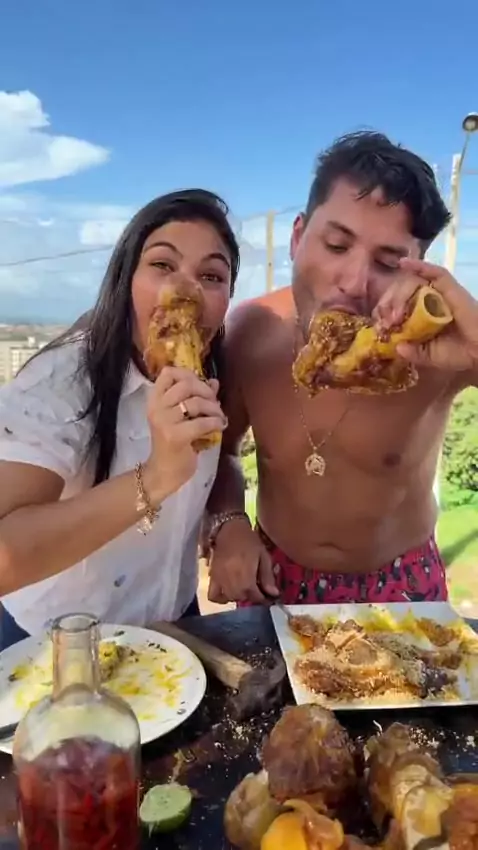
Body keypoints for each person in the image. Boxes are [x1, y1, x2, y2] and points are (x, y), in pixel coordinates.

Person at [206, 131, 478, 607]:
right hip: (275, 578)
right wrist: (228, 522)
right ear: (297, 237)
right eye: (336, 245)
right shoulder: (249, 333)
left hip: (401, 584)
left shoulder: (436, 350)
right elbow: (220, 451)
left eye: (388, 262)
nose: (354, 283)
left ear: (418, 270)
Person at [0, 189, 238, 650]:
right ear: (126, 279)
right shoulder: (61, 380)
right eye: (163, 265)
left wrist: (231, 521)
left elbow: (223, 458)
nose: (184, 291)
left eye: (211, 275)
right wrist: (156, 476)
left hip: (175, 626)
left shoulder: (216, 370)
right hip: (60, 645)